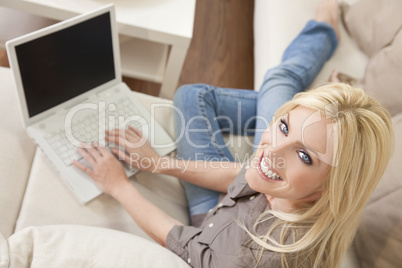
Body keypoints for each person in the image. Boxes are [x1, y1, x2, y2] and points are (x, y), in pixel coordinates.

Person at [73, 0, 394, 267]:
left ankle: (324, 31)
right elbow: (241, 175)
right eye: (283, 126)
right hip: (234, 212)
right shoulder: (283, 179)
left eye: (305, 155)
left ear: (329, 189)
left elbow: (172, 237)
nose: (271, 150)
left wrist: (117, 184)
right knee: (194, 96)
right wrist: (159, 164)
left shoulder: (244, 259)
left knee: (280, 80)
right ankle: (318, 115)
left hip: (211, 229)